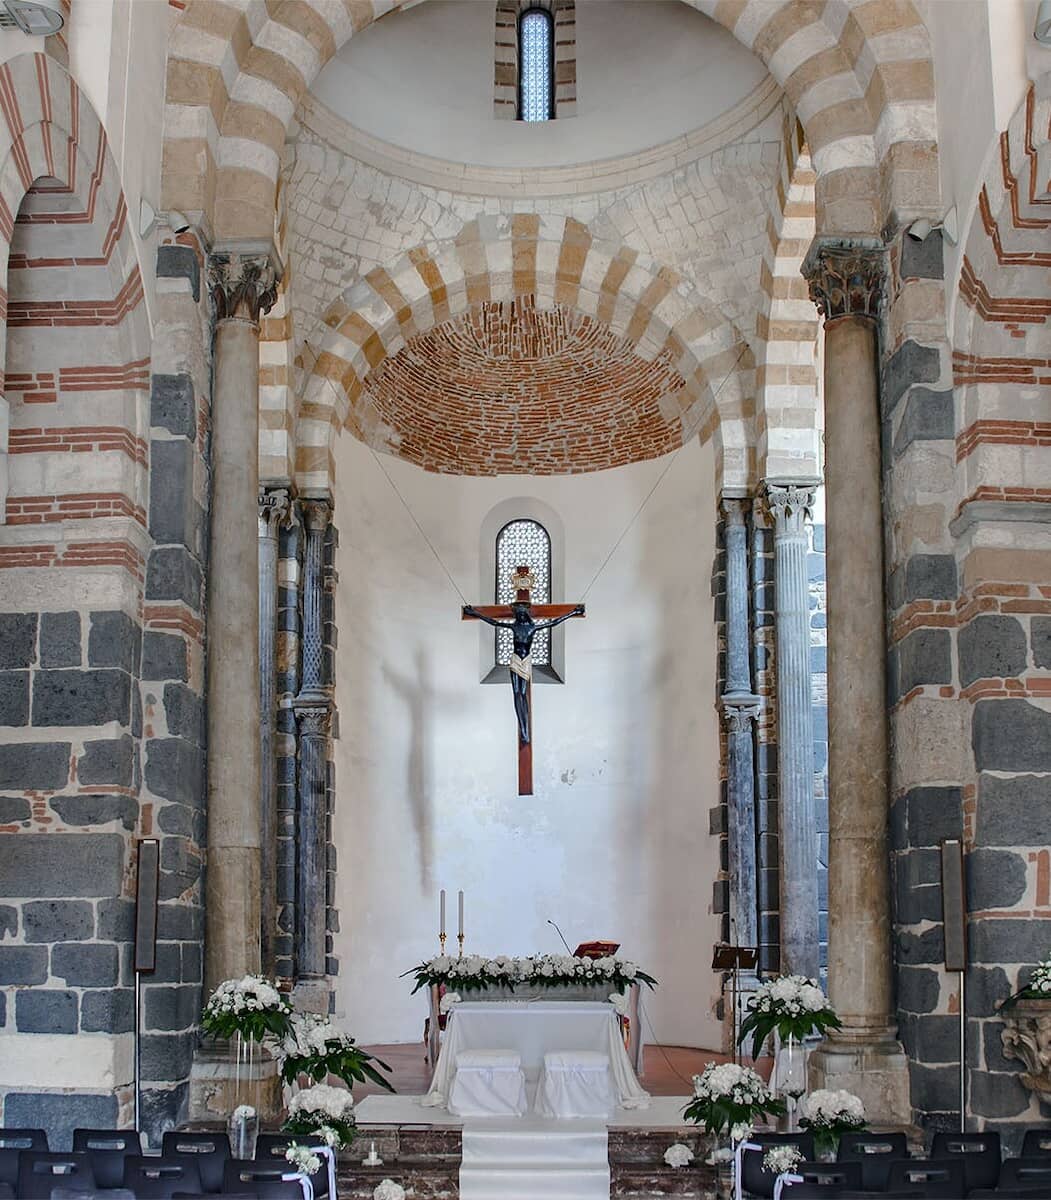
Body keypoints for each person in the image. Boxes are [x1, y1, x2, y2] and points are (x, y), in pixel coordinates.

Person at [462, 601, 584, 743]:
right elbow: (494, 623)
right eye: (517, 614)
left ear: (525, 614)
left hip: (525, 661)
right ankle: (522, 727)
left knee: (523, 693)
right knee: (516, 692)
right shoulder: (514, 626)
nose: (519, 616)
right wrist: (475, 613)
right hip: (515, 660)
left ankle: (525, 727)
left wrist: (573, 613)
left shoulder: (532, 627)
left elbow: (553, 623)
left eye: (521, 613)